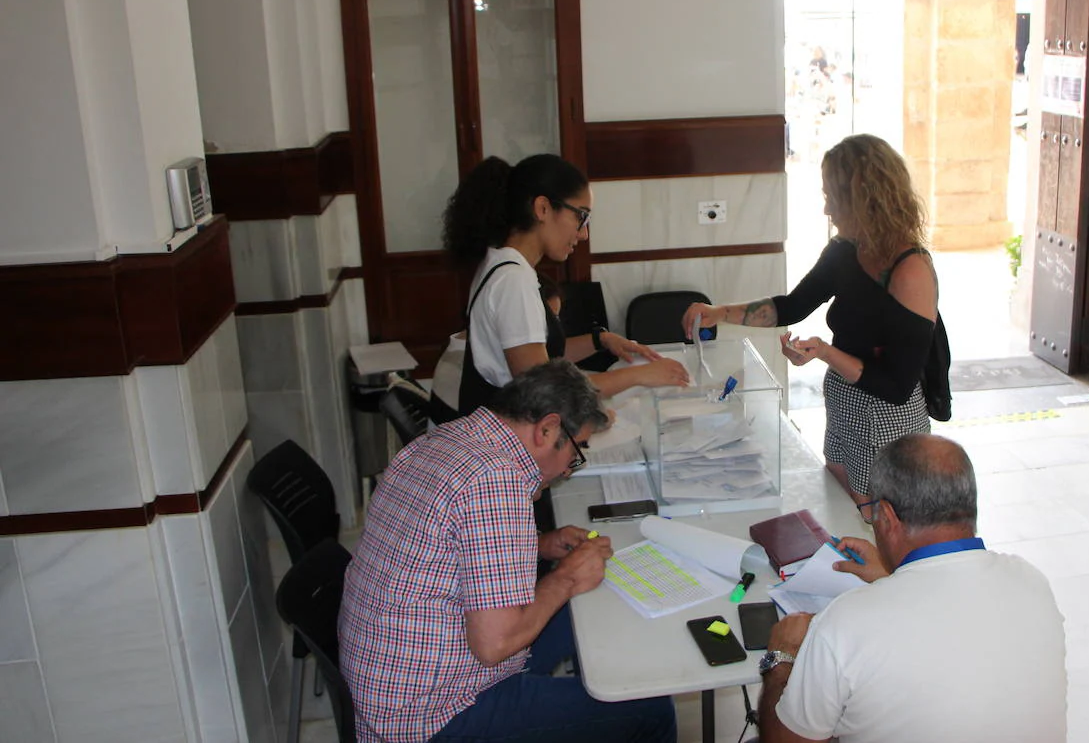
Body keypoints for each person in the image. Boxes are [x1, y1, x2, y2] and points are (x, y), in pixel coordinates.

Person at [339, 360, 677, 743]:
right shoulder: (496, 479)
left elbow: (442, 546)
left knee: (590, 609)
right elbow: (495, 645)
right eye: (576, 450)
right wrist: (564, 577)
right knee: (650, 710)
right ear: (547, 429)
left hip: (390, 680)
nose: (570, 467)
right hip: (432, 714)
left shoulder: (451, 438)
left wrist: (540, 543)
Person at [682, 134, 948, 503]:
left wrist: (823, 352)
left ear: (867, 200)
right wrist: (719, 313)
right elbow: (791, 306)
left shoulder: (911, 271)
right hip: (844, 399)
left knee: (876, 523)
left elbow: (896, 386)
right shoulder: (845, 250)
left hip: (886, 419)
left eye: (833, 199)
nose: (828, 211)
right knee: (839, 507)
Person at [756, 434, 1066, 743]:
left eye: (872, 513)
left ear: (888, 517)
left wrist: (781, 658)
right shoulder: (1031, 582)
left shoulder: (844, 623)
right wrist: (890, 577)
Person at [434, 153, 690, 424]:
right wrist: (639, 375)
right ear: (543, 208)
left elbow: (538, 355)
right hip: (504, 447)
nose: (583, 234)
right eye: (581, 217)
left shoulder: (501, 265)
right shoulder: (512, 281)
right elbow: (545, 392)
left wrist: (600, 340)